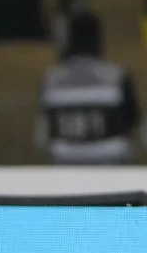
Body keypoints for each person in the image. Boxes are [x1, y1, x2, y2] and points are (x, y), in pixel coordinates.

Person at [40, 13, 141, 165]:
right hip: (113, 167)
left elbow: (44, 130)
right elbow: (133, 121)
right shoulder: (117, 77)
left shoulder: (51, 80)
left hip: (64, 166)